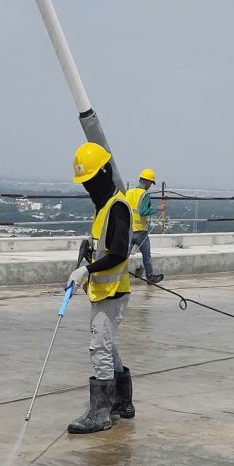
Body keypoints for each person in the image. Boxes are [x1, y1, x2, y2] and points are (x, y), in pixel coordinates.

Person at [65, 142, 135, 434]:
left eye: (91, 180)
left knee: (99, 348)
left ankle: (101, 413)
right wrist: (88, 258)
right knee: (107, 344)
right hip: (103, 290)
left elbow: (118, 253)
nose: (89, 187)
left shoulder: (117, 207)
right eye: (85, 182)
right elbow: (104, 247)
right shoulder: (103, 206)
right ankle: (122, 402)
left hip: (113, 291)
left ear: (104, 173)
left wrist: (87, 270)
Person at [126, 168, 164, 285]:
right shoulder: (145, 194)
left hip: (128, 230)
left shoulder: (128, 192)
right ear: (147, 182)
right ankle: (150, 278)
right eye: (151, 183)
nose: (150, 186)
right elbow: (143, 212)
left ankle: (117, 276)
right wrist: (158, 209)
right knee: (146, 256)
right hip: (141, 231)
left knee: (123, 256)